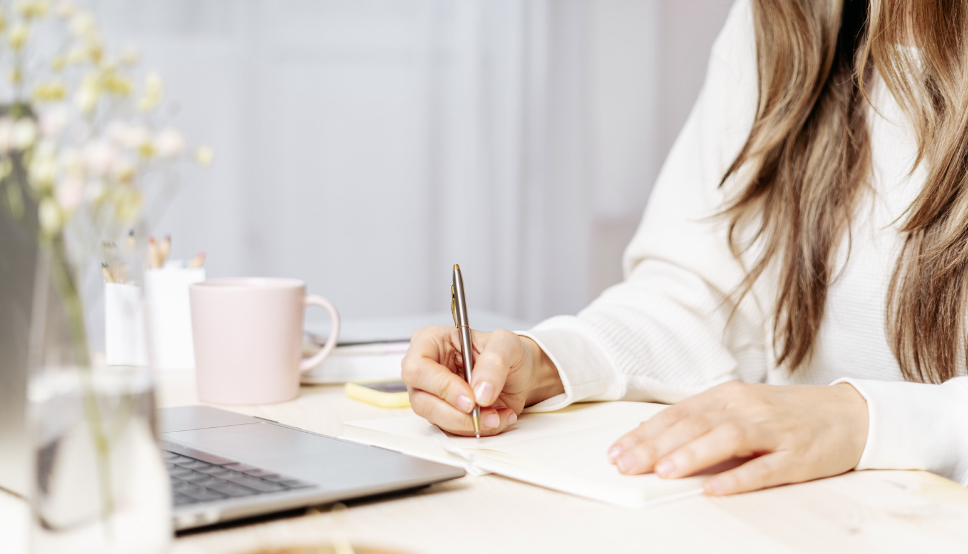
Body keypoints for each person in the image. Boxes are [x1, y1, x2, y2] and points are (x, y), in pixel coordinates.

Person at [401, 0, 968, 496]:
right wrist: (547, 362)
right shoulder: (779, 23)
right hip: (811, 517)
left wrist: (862, 421)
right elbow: (701, 296)